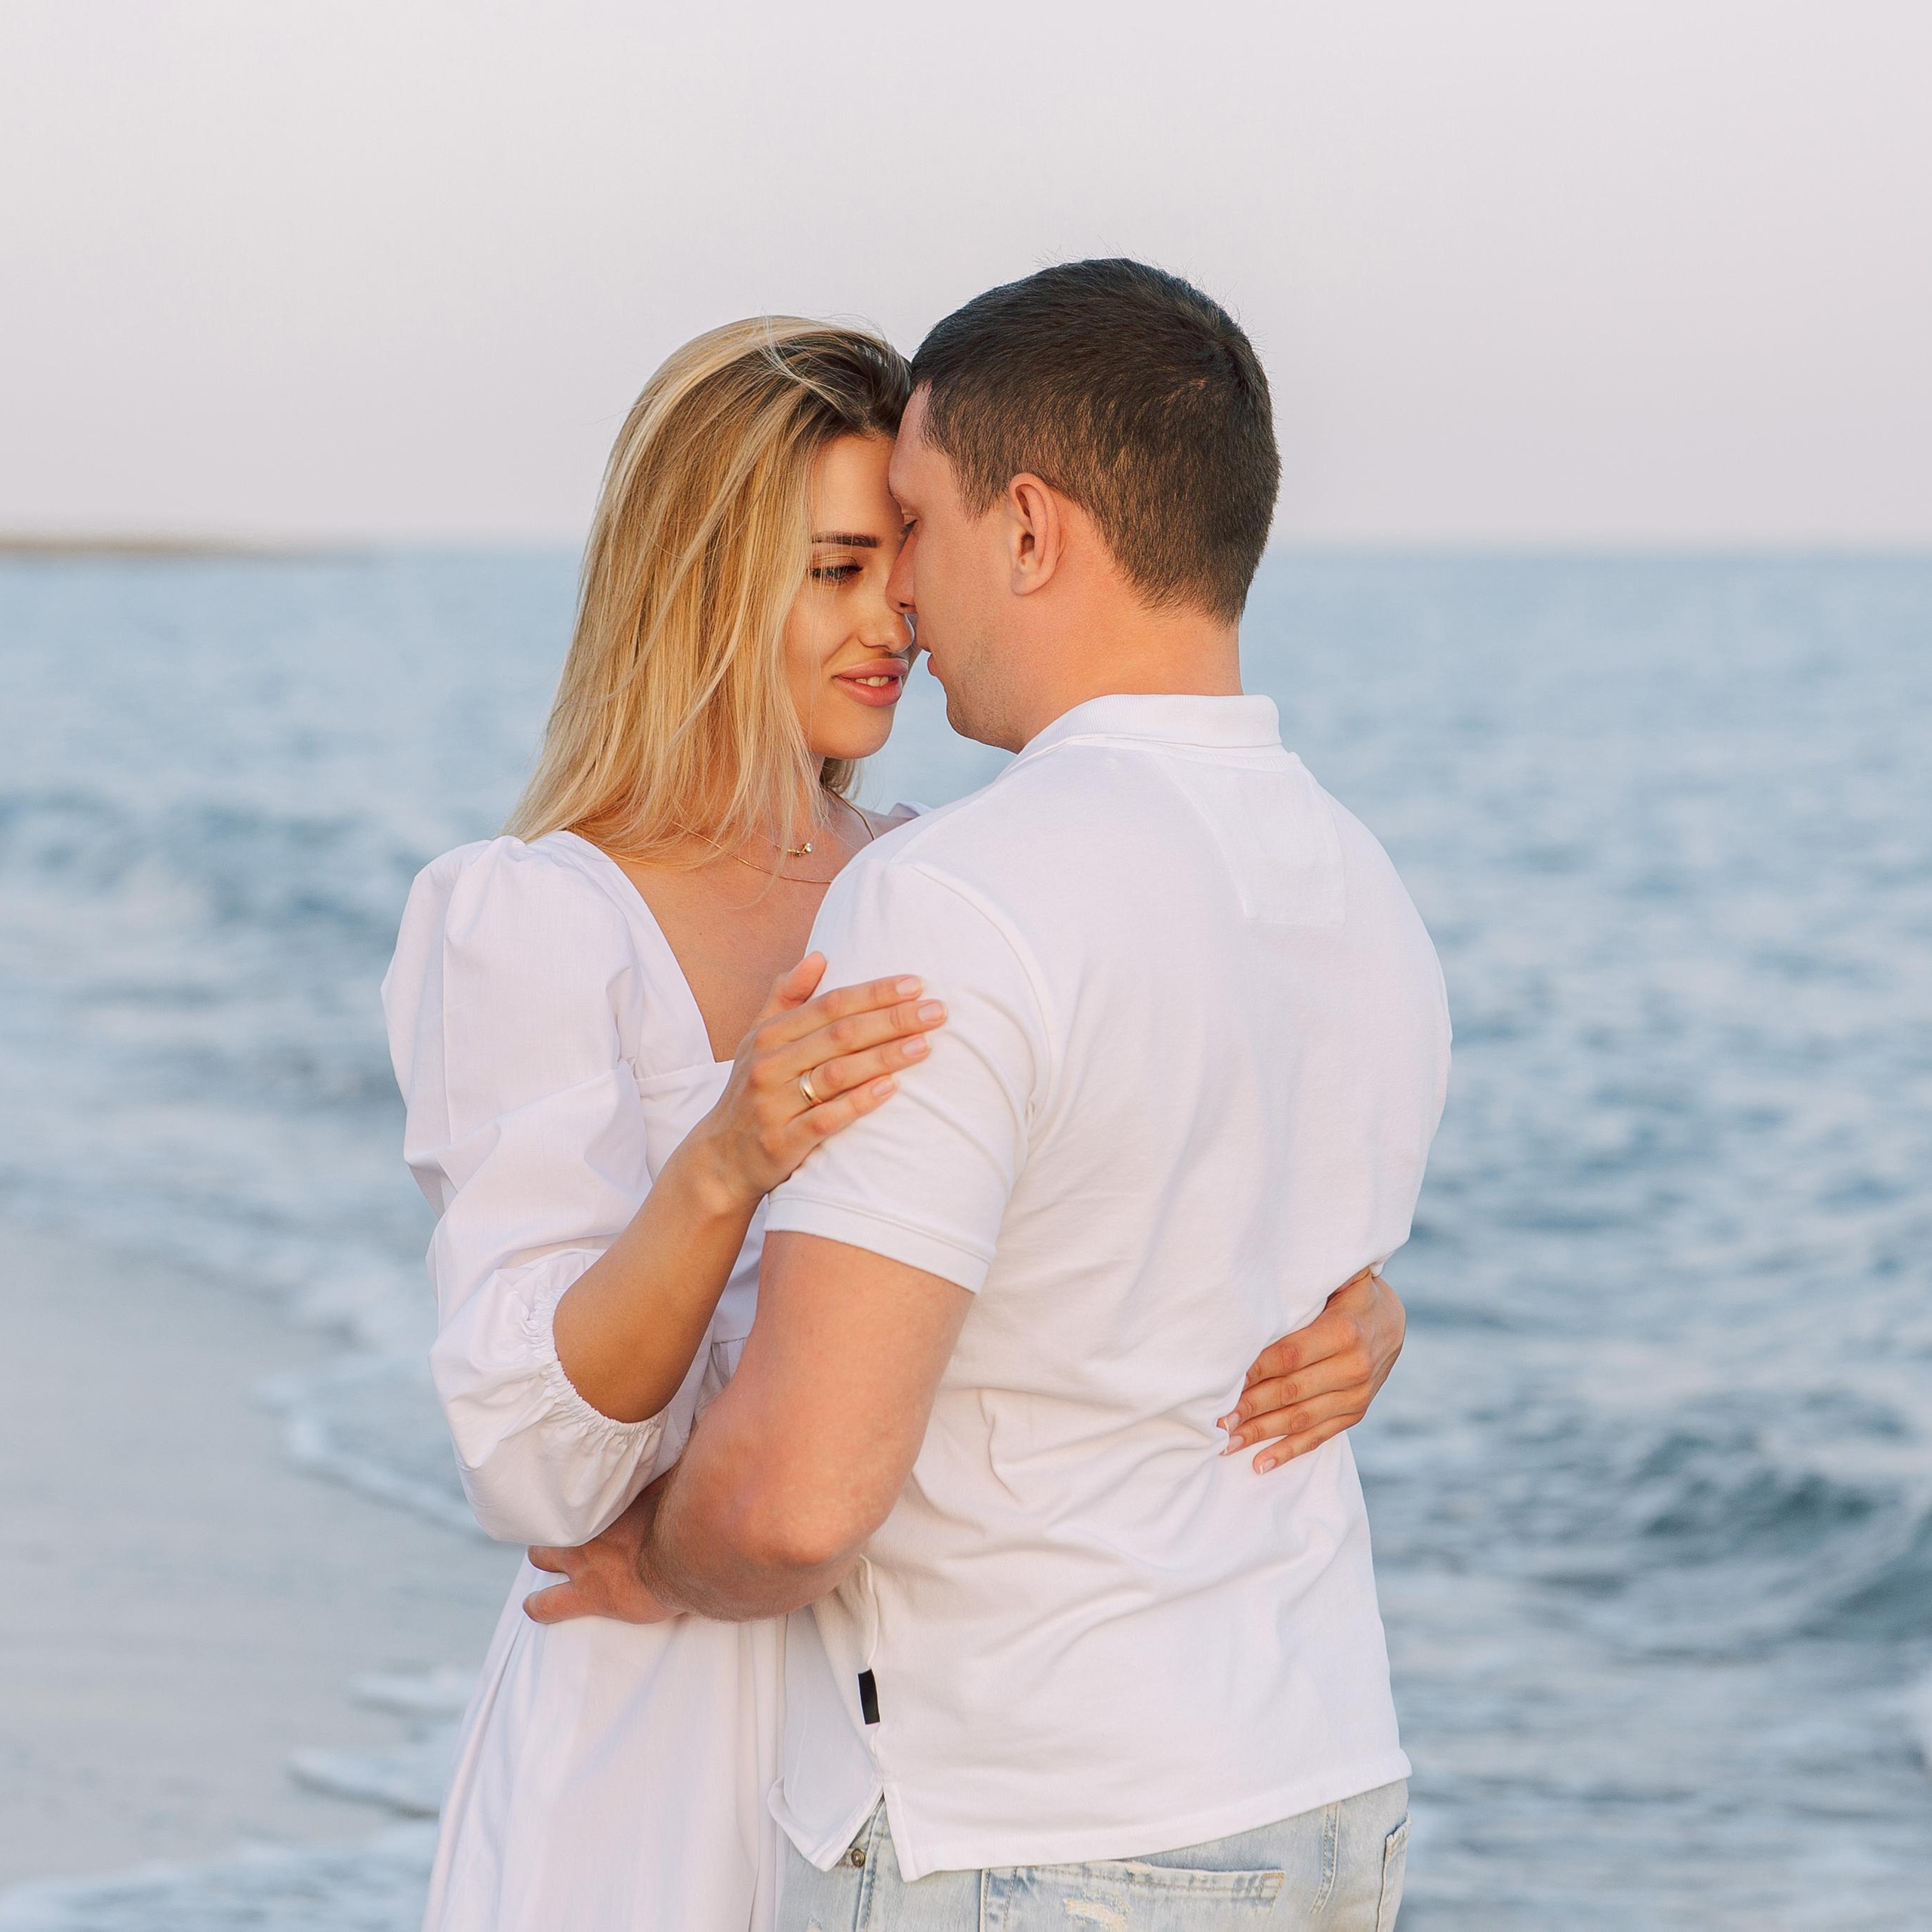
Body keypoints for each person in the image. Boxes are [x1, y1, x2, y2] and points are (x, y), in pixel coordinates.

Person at [383, 312, 1411, 1930]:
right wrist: (723, 1159)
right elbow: (530, 1459)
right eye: (837, 567)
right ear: (705, 580)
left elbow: (1115, 1220)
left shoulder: (950, 878)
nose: (897, 620)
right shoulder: (533, 917)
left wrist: (1338, 1308)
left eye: (901, 553)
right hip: (658, 1710)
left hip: (925, 1721)